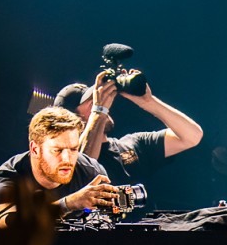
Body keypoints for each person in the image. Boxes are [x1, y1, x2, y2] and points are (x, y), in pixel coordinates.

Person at [0, 71, 126, 226]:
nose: (67, 159)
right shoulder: (7, 179)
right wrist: (69, 203)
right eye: (57, 150)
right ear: (35, 149)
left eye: (73, 149)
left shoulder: (90, 172)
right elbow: (10, 226)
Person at [53, 68, 204, 191]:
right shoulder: (67, 160)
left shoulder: (134, 143)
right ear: (73, 119)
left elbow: (192, 136)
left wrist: (148, 102)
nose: (103, 102)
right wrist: (98, 112)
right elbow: (83, 170)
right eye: (92, 103)